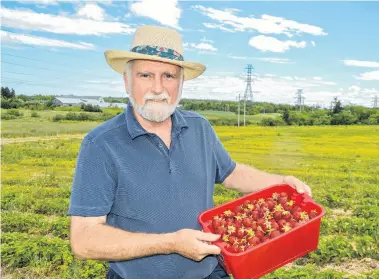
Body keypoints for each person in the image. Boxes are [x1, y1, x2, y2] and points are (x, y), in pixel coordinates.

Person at [67, 25, 312, 279]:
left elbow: (231, 172)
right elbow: (84, 239)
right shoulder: (101, 144)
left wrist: (280, 182)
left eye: (169, 76)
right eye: (145, 75)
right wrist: (171, 243)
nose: (158, 88)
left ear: (181, 82)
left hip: (210, 272)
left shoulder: (199, 127)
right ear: (127, 81)